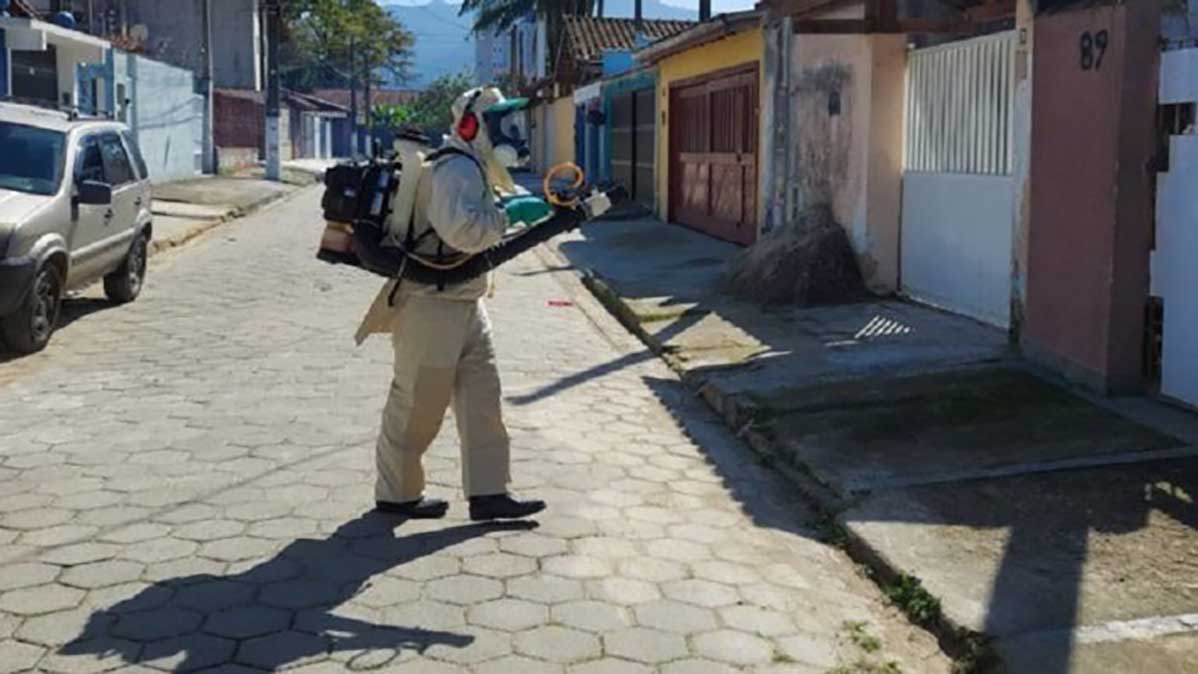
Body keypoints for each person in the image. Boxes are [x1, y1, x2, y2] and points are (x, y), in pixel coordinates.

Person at [354, 87, 551, 521]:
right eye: (502, 122)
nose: (513, 132)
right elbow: (461, 232)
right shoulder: (453, 169)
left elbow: (477, 222)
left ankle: (489, 493)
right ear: (470, 124)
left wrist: (511, 206)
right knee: (418, 403)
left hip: (466, 299)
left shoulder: (475, 167)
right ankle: (397, 494)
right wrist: (511, 217)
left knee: (482, 399)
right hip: (430, 305)